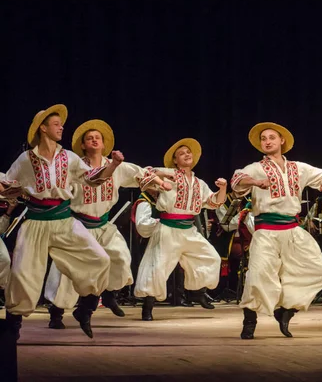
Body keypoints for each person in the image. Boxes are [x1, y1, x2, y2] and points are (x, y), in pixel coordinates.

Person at [0, 104, 125, 339]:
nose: (61, 127)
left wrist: (114, 165)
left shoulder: (69, 157)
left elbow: (92, 179)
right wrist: (8, 189)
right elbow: (7, 185)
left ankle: (85, 309)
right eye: (56, 124)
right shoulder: (26, 159)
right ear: (43, 128)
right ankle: (13, 325)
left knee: (98, 258)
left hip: (64, 220)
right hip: (35, 222)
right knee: (22, 274)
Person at [43, 120, 169, 329]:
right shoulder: (76, 167)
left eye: (97, 138)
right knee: (68, 271)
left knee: (120, 257)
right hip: (78, 225)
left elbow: (141, 173)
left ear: (104, 144)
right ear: (83, 145)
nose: (94, 140)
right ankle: (56, 312)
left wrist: (160, 181)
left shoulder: (117, 167)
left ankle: (109, 294)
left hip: (103, 225)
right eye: (89, 138)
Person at [231, 122, 322, 339]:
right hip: (266, 231)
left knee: (318, 270)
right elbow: (238, 180)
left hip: (292, 229)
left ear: (282, 141)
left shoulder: (298, 168)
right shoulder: (256, 168)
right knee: (258, 276)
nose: (267, 141)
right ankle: (250, 320)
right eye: (263, 139)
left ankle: (286, 310)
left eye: (272, 137)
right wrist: (255, 181)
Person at [134, 138, 226, 321]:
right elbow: (147, 173)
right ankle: (148, 306)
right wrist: (163, 177)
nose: (187, 154)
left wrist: (223, 188)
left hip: (188, 229)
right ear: (175, 160)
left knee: (211, 257)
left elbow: (214, 202)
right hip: (168, 229)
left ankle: (199, 291)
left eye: (188, 152)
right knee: (158, 266)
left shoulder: (199, 183)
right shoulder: (170, 173)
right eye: (182, 153)